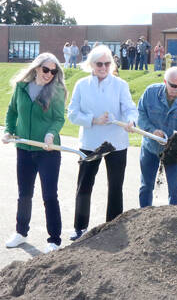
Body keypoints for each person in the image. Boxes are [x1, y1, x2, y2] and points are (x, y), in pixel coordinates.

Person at [67, 45, 138, 241]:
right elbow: (72, 113)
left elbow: (130, 109)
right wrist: (92, 120)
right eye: (99, 64)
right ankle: (80, 228)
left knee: (115, 186)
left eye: (107, 63)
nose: (104, 67)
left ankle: (113, 226)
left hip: (117, 144)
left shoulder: (120, 84)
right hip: (90, 143)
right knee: (84, 185)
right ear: (91, 64)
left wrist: (132, 121)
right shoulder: (81, 85)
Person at [2, 53, 67, 253]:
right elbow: (12, 111)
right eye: (46, 69)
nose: (49, 74)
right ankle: (21, 233)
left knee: (49, 195)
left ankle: (54, 240)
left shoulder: (55, 91)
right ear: (37, 68)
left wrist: (50, 134)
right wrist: (8, 130)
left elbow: (59, 119)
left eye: (53, 71)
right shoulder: (21, 87)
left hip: (48, 151)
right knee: (24, 195)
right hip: (23, 149)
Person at [137, 67, 177, 207]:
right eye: (173, 85)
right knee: (146, 186)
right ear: (165, 81)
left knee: (175, 189)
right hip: (150, 147)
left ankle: (175, 222)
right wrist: (152, 131)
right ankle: (144, 217)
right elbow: (140, 115)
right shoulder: (150, 92)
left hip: (174, 151)